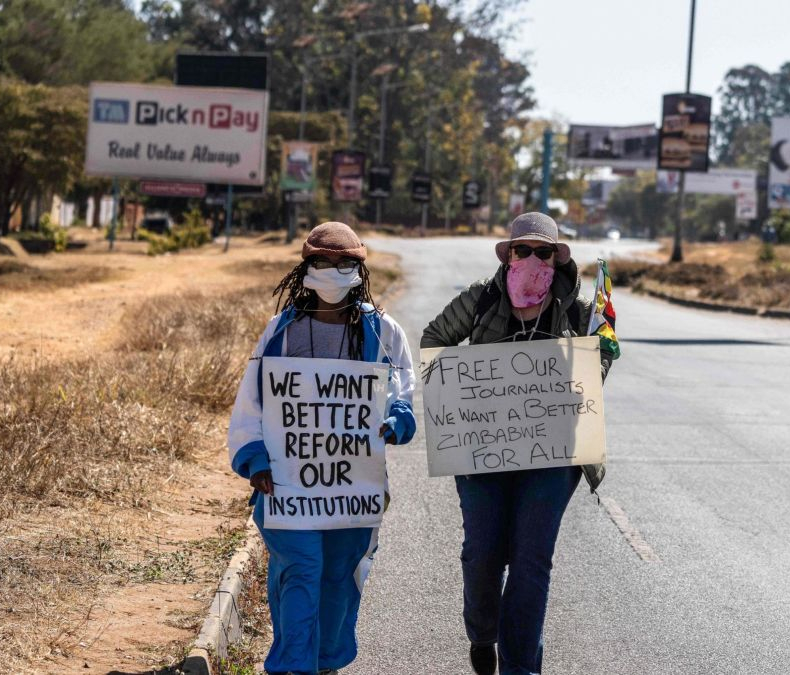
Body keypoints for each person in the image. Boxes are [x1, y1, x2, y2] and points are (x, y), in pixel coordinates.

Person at [421, 212, 616, 675]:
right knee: (483, 554)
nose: (532, 258)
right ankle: (482, 633)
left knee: (532, 562)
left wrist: (591, 369)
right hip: (483, 452)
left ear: (556, 258)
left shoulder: (577, 311)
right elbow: (433, 340)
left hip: (555, 456)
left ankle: (520, 667)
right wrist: (462, 394)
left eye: (543, 251)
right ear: (508, 256)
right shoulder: (480, 299)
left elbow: (600, 359)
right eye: (522, 250)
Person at [227, 222, 417, 675]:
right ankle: (294, 665)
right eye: (323, 261)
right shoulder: (280, 331)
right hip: (287, 486)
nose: (334, 270)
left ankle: (327, 662)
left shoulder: (383, 331)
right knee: (300, 569)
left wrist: (399, 419)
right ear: (306, 267)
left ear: (359, 268)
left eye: (344, 263)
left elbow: (403, 391)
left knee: (339, 575)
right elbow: (251, 401)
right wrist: (254, 458)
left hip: (353, 488)